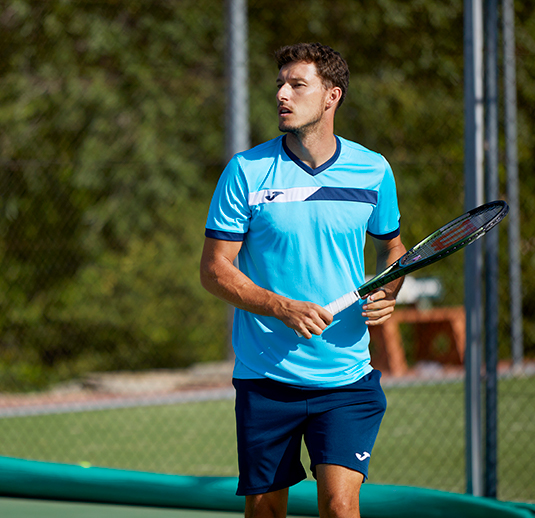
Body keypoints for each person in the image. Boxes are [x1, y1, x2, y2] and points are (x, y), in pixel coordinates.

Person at [200, 43, 407, 518]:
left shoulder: (373, 170)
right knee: (266, 511)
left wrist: (389, 288)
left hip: (347, 377)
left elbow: (393, 247)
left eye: (298, 84)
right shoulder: (246, 171)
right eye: (280, 83)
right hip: (266, 378)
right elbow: (214, 270)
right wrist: (281, 307)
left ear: (331, 96)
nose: (282, 94)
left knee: (339, 507)